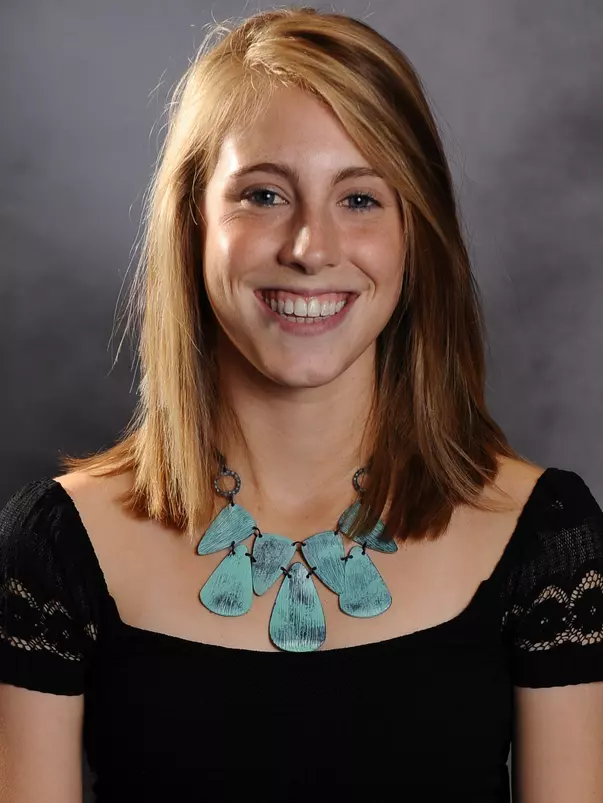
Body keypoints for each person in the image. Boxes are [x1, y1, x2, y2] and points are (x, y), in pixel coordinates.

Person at [1, 5, 602, 801]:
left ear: (414, 238)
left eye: (359, 199)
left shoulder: (546, 540)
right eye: (261, 194)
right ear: (191, 227)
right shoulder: (52, 546)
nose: (310, 248)